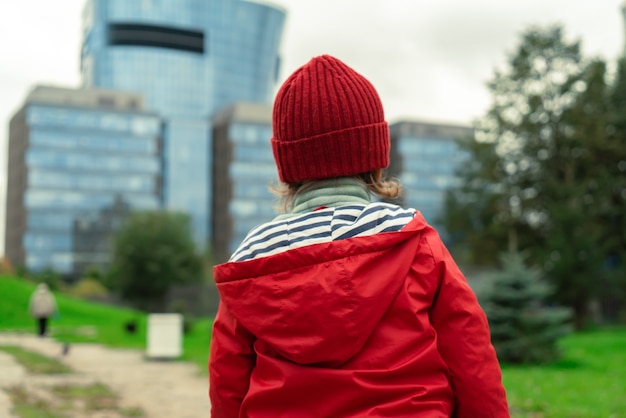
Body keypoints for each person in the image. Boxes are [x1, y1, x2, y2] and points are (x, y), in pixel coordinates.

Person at [209, 55, 509, 417]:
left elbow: (228, 375)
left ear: (287, 167)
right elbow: (469, 353)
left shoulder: (254, 258)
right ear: (376, 156)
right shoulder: (412, 240)